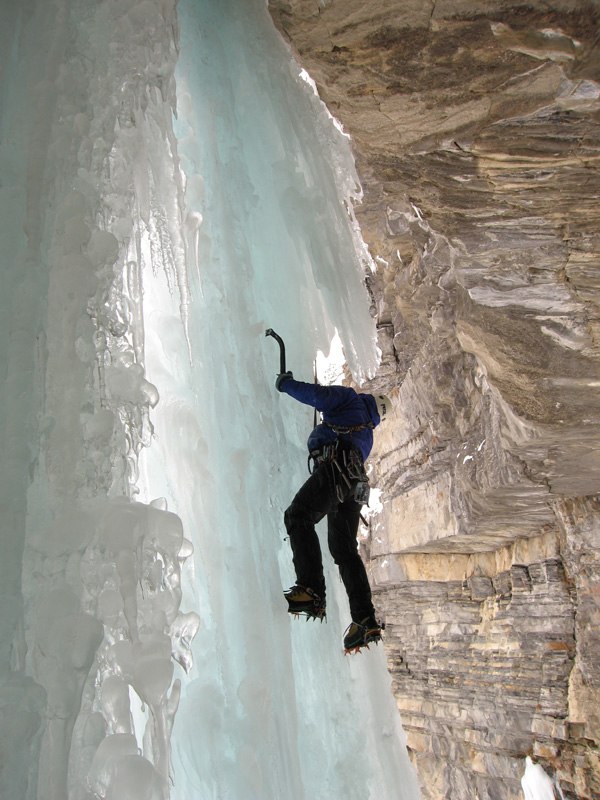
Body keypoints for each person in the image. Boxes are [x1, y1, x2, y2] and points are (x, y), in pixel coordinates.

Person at [275, 369, 391, 652]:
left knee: (298, 516)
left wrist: (286, 384)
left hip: (336, 471)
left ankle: (311, 589)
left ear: (369, 399)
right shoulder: (368, 436)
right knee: (344, 551)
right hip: (354, 486)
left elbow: (318, 396)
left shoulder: (351, 400)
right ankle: (364, 618)